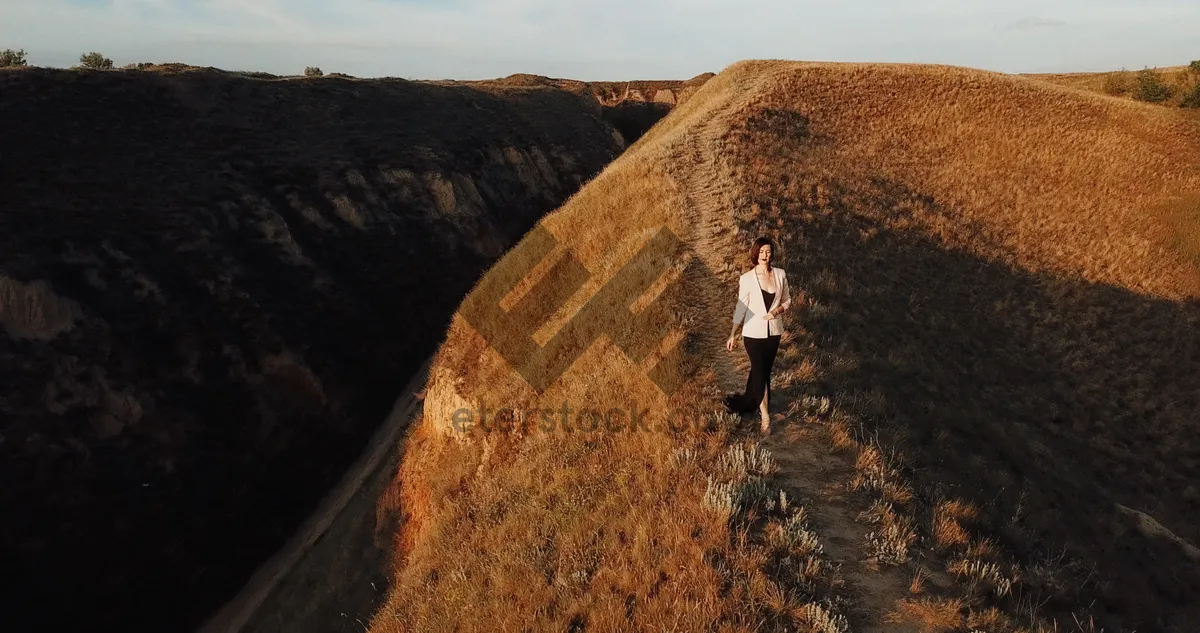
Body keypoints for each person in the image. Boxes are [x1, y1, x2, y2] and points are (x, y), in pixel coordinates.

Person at [724, 236, 791, 434]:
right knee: (760, 372)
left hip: (774, 332)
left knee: (763, 372)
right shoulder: (746, 279)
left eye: (768, 251)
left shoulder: (780, 274)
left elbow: (787, 300)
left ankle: (748, 402)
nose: (765, 255)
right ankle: (766, 418)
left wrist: (777, 311)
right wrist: (732, 334)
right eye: (761, 251)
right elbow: (741, 308)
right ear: (755, 253)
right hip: (753, 334)